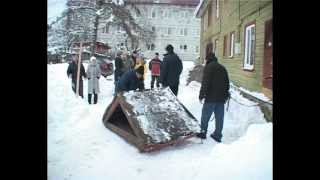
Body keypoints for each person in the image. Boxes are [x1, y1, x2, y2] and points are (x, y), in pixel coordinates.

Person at [197, 52, 230, 143]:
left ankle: (203, 132)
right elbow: (227, 83)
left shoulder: (209, 68)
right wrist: (226, 94)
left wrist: (201, 95)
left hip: (211, 97)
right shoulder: (222, 68)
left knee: (205, 115)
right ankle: (218, 135)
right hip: (221, 98)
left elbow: (205, 83)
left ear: (207, 59)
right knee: (219, 117)